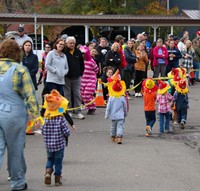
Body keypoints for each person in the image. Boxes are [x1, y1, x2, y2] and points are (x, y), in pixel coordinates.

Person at [0, 39, 39, 190]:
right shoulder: (20, 70)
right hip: (13, 114)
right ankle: (17, 182)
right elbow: (30, 95)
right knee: (15, 149)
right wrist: (35, 116)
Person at [42, 90, 75, 186]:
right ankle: (57, 179)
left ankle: (48, 171)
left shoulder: (46, 118)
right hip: (59, 144)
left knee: (50, 158)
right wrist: (68, 133)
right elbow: (65, 130)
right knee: (58, 161)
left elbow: (43, 130)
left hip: (49, 144)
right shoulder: (60, 117)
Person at [63, 36, 85, 119]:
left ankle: (78, 111)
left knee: (77, 95)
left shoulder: (78, 52)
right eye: (70, 43)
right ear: (67, 43)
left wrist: (80, 73)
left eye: (73, 43)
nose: (72, 44)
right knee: (67, 95)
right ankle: (68, 111)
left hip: (77, 77)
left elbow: (82, 64)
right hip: (66, 77)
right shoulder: (64, 52)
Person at [105, 71, 128, 144]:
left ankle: (112, 137)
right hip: (120, 115)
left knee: (113, 127)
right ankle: (119, 137)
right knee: (120, 127)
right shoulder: (122, 98)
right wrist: (125, 114)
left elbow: (108, 107)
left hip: (113, 115)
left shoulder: (111, 98)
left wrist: (107, 114)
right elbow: (125, 107)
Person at [79, 46, 99, 115]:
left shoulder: (91, 61)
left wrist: (92, 76)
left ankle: (92, 107)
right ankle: (89, 107)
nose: (82, 55)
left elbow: (96, 70)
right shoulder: (80, 61)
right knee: (83, 95)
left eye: (84, 54)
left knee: (87, 94)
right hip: (82, 80)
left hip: (91, 80)